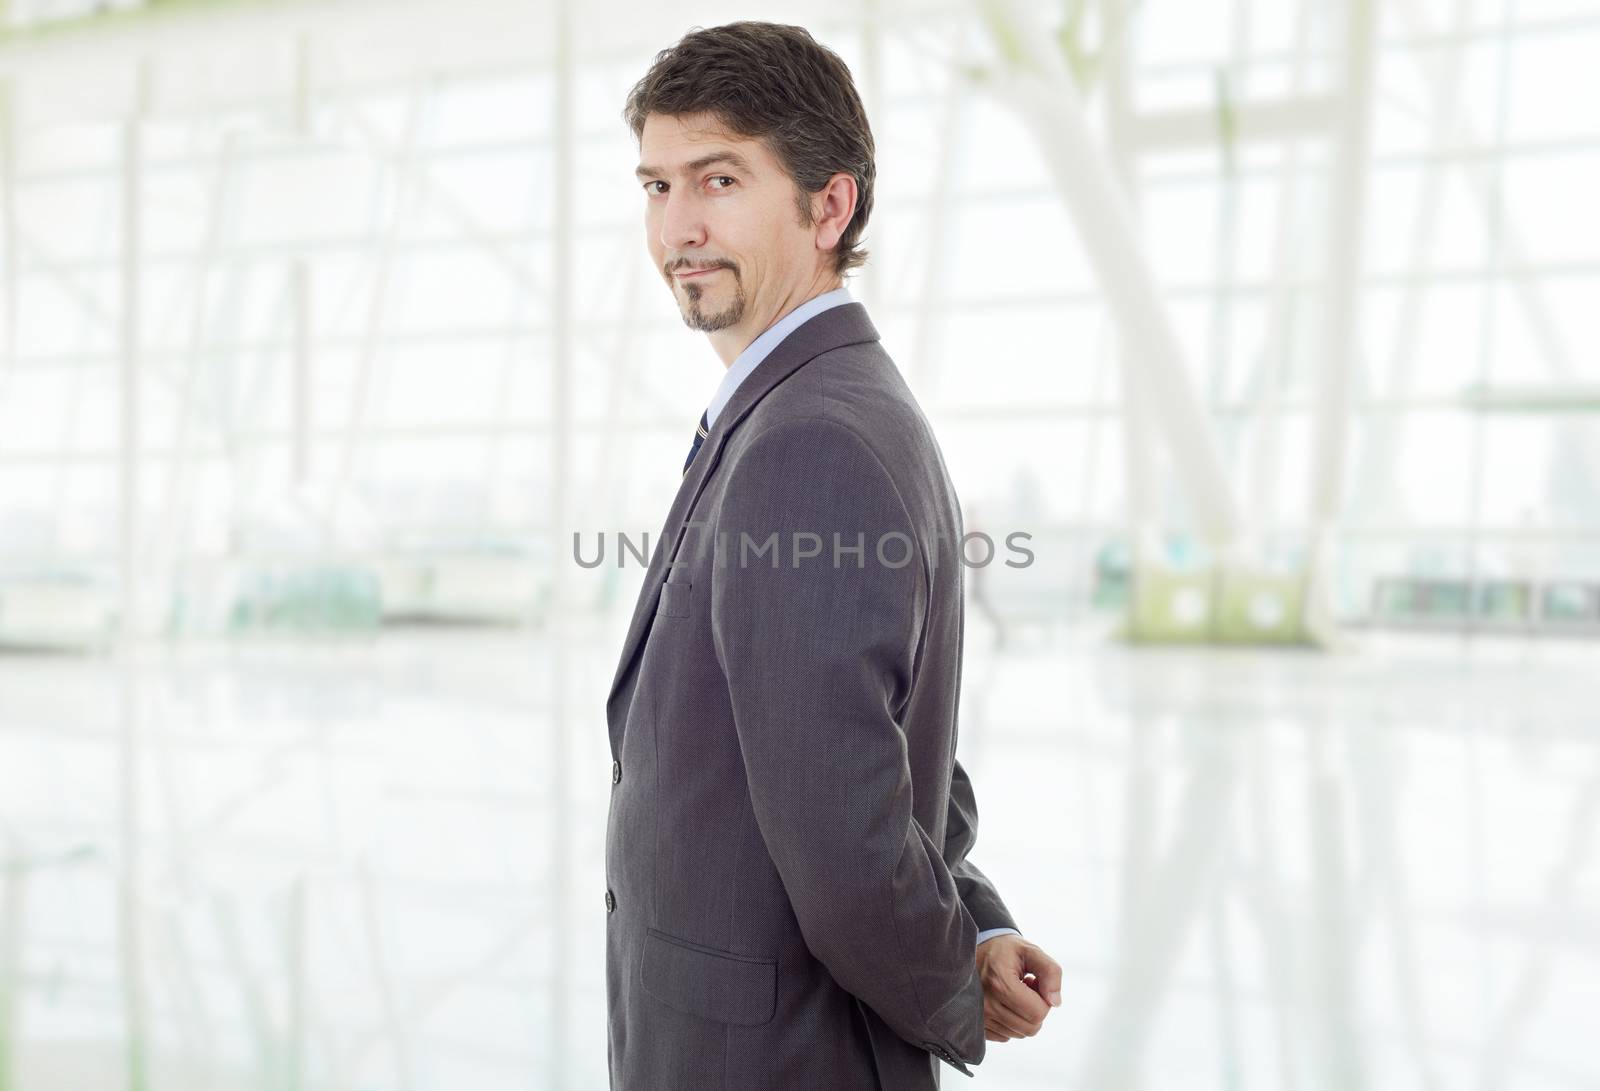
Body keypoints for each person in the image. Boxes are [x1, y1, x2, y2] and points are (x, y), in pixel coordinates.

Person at [603, 21, 1062, 1090]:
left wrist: (953, 977)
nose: (679, 225)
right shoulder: (794, 411)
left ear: (830, 205)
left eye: (719, 178)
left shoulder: (811, 439)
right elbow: (892, 754)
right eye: (657, 185)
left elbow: (846, 837)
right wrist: (975, 921)